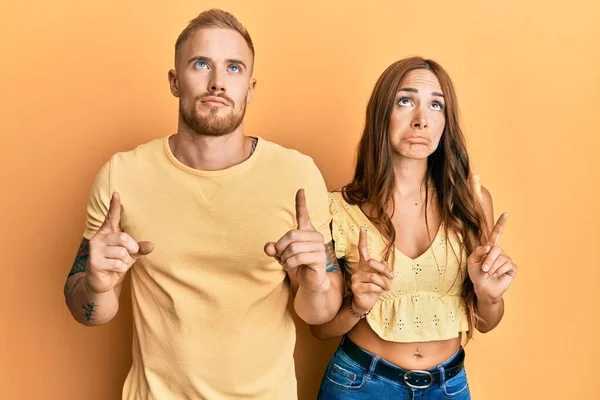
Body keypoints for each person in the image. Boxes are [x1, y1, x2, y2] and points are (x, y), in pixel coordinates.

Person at [62, 9, 344, 400]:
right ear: (175, 81)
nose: (217, 83)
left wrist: (314, 280)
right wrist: (95, 286)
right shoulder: (121, 176)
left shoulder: (297, 175)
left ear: (250, 86)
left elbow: (321, 312)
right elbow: (86, 310)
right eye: (201, 64)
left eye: (233, 68)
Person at [311, 57, 517, 399]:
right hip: (359, 384)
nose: (421, 120)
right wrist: (357, 305)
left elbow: (486, 321)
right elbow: (319, 329)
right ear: (382, 115)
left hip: (447, 387)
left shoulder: (472, 202)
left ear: (446, 122)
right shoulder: (339, 210)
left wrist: (489, 295)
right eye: (405, 101)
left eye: (436, 105)